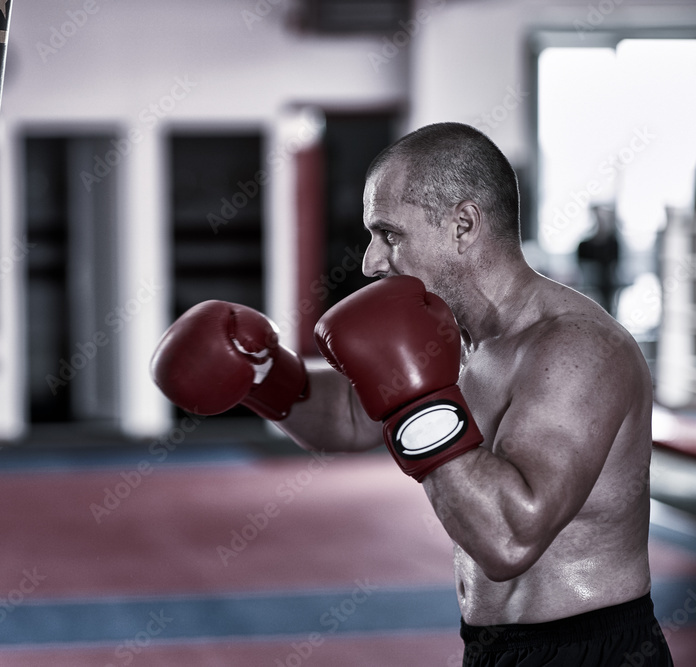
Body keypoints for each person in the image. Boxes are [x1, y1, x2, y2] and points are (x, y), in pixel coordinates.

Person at [150, 122, 672, 666]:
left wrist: (417, 404)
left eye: (390, 234)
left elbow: (509, 539)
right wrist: (263, 375)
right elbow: (348, 418)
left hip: (590, 653)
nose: (371, 262)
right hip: (493, 649)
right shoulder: (456, 341)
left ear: (463, 225)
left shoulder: (576, 351)